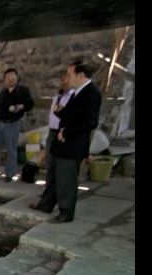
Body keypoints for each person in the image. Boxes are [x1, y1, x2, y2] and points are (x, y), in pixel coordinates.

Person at [48, 60, 102, 223]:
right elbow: (74, 116)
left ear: (80, 75)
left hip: (73, 144)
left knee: (67, 180)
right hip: (65, 143)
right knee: (60, 177)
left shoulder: (91, 93)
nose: (67, 78)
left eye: (70, 75)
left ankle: (66, 213)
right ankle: (58, 207)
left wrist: (67, 132)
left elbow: (91, 122)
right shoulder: (78, 92)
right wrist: (60, 113)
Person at [29, 73, 74, 214]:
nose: (63, 82)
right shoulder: (57, 97)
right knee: (50, 167)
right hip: (52, 133)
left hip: (63, 133)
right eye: (62, 79)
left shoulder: (74, 98)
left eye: (66, 78)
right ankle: (47, 202)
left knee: (61, 171)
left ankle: (60, 204)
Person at [0, 68, 34, 182]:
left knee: (11, 150)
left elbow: (30, 104)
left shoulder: (23, 90)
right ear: (5, 80)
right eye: (8, 77)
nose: (11, 78)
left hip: (12, 123)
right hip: (0, 123)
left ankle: (10, 174)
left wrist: (19, 107)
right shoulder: (3, 92)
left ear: (17, 78)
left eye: (13, 76)